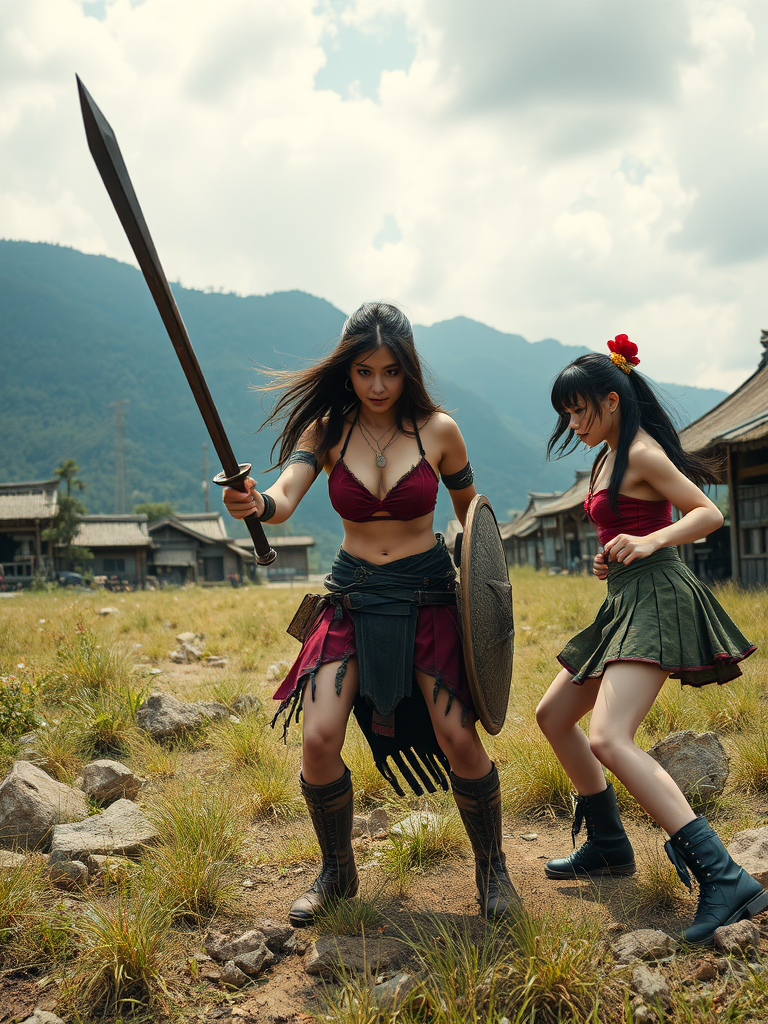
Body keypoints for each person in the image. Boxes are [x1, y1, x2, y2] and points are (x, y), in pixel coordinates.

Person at [223, 302, 517, 926]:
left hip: (429, 594)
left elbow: (472, 518)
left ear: (408, 368)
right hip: (353, 595)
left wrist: (480, 584)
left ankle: (493, 869)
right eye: (364, 372)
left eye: (390, 371)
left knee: (459, 737)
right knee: (318, 736)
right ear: (347, 370)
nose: (378, 386)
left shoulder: (440, 430)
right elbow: (282, 500)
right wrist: (253, 502)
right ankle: (336, 871)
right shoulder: (325, 432)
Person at [535, 334, 767, 946]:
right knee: (554, 714)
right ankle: (610, 847)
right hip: (626, 598)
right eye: (567, 414)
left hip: (660, 601)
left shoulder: (639, 450)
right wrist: (615, 556)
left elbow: (705, 513)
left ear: (612, 401)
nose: (574, 423)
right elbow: (628, 525)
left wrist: (648, 543)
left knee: (609, 737)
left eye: (580, 410)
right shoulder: (606, 456)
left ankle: (725, 877)